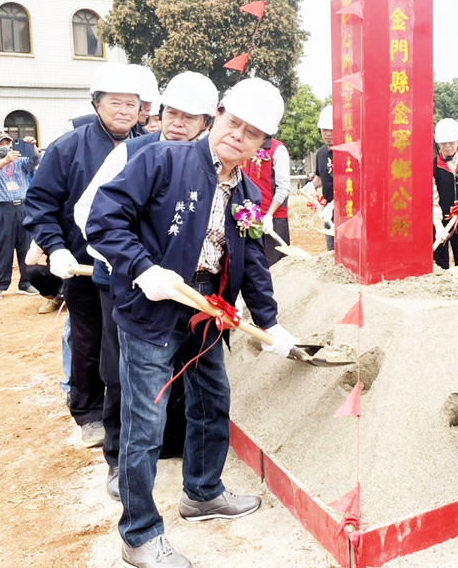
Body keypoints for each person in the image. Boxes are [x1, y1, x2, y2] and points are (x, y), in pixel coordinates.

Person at [85, 77, 301, 568]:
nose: (237, 136)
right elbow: (104, 219)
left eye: (251, 133)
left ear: (262, 143)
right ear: (217, 116)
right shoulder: (163, 159)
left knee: (212, 400)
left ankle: (202, 494)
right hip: (153, 306)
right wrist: (143, 269)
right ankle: (139, 533)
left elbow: (252, 262)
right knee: (147, 422)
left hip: (210, 310)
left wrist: (270, 323)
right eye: (233, 123)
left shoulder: (246, 189)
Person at [75, 71, 218, 501]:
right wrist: (135, 268)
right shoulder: (132, 153)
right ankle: (120, 462)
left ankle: (174, 455)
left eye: (190, 118)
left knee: (181, 378)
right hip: (126, 283)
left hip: (184, 291)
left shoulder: (208, 164)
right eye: (171, 113)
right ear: (157, 112)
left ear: (206, 124)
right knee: (123, 376)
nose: (177, 123)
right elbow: (89, 214)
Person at [24, 62, 143, 448]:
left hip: (132, 266)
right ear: (96, 103)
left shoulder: (147, 147)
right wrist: (55, 247)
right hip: (82, 264)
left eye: (132, 103)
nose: (124, 111)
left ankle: (130, 412)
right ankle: (89, 412)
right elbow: (40, 203)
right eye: (115, 103)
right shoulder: (68, 148)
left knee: (128, 342)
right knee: (89, 339)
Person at [0, 131, 40, 299]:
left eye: (8, 143)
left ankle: (26, 282)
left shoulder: (19, 162)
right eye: (1, 144)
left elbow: (35, 161)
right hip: (2, 209)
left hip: (23, 207)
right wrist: (4, 161)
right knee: (3, 247)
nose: (5, 147)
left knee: (25, 245)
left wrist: (32, 148)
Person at [432, 118, 458, 282]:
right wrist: (438, 226)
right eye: (443, 143)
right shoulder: (433, 166)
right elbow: (433, 198)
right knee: (440, 262)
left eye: (451, 142)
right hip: (440, 224)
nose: (447, 146)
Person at [243, 134, 291, 266]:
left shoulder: (278, 149)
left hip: (272, 220)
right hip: (248, 219)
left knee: (273, 266)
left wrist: (269, 215)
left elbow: (283, 188)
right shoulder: (245, 146)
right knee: (251, 265)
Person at [305, 105, 334, 250]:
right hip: (328, 210)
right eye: (324, 130)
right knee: (331, 249)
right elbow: (321, 177)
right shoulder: (321, 153)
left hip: (347, 210)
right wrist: (312, 185)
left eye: (331, 130)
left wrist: (335, 204)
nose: (327, 134)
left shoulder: (347, 152)